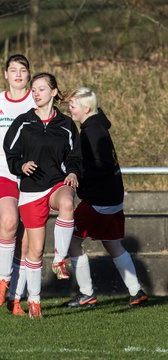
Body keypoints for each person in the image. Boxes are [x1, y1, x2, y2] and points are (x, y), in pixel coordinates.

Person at [3, 72, 82, 318]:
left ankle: (60, 259)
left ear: (54, 92)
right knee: (34, 251)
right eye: (34, 89)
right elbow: (11, 154)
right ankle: (34, 302)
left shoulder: (66, 124)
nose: (36, 93)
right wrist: (21, 166)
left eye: (41, 89)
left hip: (57, 184)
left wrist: (72, 172)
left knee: (67, 201)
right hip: (30, 191)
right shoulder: (23, 122)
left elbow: (75, 156)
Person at [67, 87, 148, 308]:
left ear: (86, 108)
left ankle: (86, 294)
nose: (69, 108)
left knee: (71, 241)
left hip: (100, 200)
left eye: (72, 105)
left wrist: (78, 176)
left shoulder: (92, 132)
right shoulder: (96, 127)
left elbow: (101, 166)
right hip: (112, 198)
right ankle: (136, 291)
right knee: (112, 243)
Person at [0, 54, 36, 315]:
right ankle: (2, 280)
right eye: (13, 70)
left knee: (25, 241)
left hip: (33, 176)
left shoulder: (37, 99)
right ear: (6, 74)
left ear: (29, 74)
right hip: (2, 172)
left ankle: (16, 299)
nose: (18, 75)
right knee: (9, 221)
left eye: (22, 70)